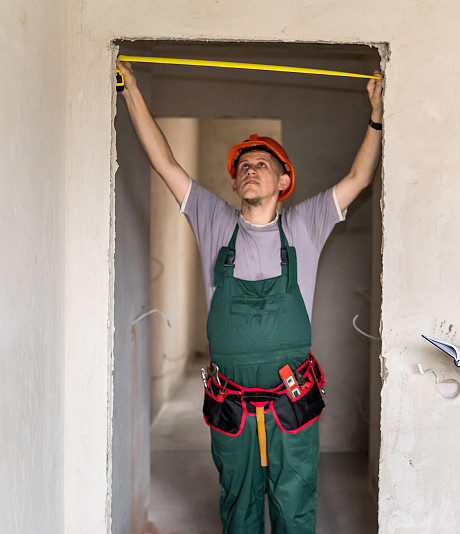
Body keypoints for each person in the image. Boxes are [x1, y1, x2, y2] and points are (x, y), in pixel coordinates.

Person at [116, 60, 383, 534]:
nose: (249, 169)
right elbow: (164, 162)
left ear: (283, 181)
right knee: (238, 508)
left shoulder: (305, 225)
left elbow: (359, 178)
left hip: (290, 403)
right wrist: (132, 90)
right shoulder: (213, 220)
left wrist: (377, 116)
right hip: (231, 404)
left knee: (293, 505)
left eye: (262, 163)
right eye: (243, 165)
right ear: (235, 182)